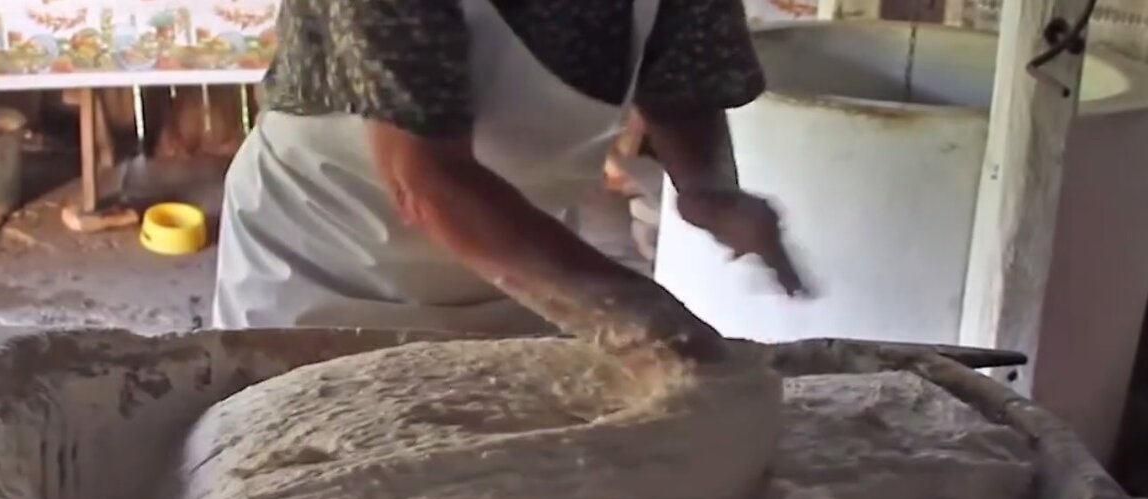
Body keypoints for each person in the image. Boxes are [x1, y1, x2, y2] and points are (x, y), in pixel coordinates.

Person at [212, 0, 807, 363]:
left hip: (518, 274)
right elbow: (427, 181)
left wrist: (709, 191)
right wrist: (639, 309)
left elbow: (683, 85)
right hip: (317, 267)